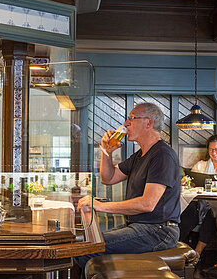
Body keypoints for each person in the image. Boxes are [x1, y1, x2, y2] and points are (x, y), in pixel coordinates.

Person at [75, 102, 181, 269]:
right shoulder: (140, 155)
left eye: (132, 118)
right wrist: (106, 152)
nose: (126, 123)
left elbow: (147, 204)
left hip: (159, 231)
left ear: (149, 123)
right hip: (141, 227)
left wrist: (100, 206)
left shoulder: (162, 155)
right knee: (88, 242)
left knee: (86, 248)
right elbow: (108, 178)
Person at [178, 134, 217, 248]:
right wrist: (188, 183)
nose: (214, 153)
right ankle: (177, 246)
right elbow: (192, 184)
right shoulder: (200, 165)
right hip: (200, 203)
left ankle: (196, 253)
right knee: (189, 213)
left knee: (210, 214)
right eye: (211, 150)